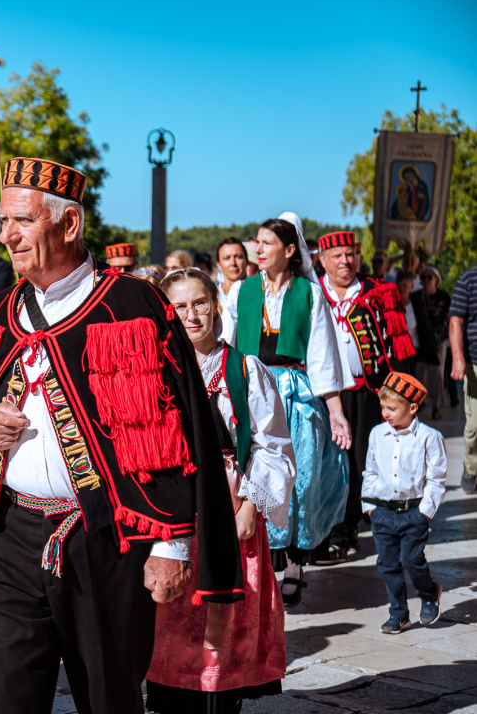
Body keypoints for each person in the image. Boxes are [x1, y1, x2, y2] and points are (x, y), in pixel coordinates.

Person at [0, 157, 243, 714]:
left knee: (109, 697)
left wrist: (172, 543)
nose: (5, 236)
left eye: (22, 222)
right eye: (4, 222)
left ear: (69, 225)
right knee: (9, 701)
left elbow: (176, 435)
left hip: (105, 540)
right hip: (9, 535)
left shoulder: (133, 306)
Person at [147, 268, 296, 714]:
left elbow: (273, 445)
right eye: (179, 306)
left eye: (199, 303)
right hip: (176, 506)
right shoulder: (158, 371)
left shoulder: (247, 370)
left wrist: (252, 504)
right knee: (173, 616)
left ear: (216, 305)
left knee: (224, 618)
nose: (191, 315)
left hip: (232, 506)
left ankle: (220, 699)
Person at [231, 214, 351, 608]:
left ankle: (296, 563)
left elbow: (322, 356)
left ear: (289, 250)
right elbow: (227, 346)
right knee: (253, 472)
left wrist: (335, 411)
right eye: (257, 243)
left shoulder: (308, 294)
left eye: (267, 244)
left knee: (300, 477)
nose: (259, 250)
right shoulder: (242, 291)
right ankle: (265, 558)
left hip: (294, 391)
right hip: (250, 388)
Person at [317, 231, 415, 563]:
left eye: (350, 255)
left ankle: (351, 530)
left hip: (369, 393)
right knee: (329, 465)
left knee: (364, 463)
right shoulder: (312, 294)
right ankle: (331, 531)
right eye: (337, 256)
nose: (345, 261)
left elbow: (400, 347)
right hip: (325, 394)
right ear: (322, 260)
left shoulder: (379, 292)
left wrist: (401, 396)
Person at [362, 373, 446, 633]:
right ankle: (398, 613)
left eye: (392, 408)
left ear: (412, 408)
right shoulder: (377, 434)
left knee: (411, 559)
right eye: (383, 407)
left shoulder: (429, 437)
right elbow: (371, 471)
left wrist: (425, 512)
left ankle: (429, 593)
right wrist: (370, 506)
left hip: (413, 513)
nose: (386, 413)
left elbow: (437, 478)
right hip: (383, 511)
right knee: (387, 564)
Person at [449, 265, 477, 494]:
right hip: (475, 362)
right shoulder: (469, 278)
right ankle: (471, 465)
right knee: (475, 425)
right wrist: (458, 359)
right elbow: (456, 320)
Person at [413, 267, 451, 420]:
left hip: (439, 340)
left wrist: (453, 341)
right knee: (419, 372)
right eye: (423, 278)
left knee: (437, 372)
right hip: (421, 339)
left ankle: (436, 406)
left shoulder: (443, 297)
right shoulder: (416, 296)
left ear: (436, 280)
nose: (426, 281)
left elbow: (449, 319)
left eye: (429, 277)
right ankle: (418, 402)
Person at [216, 236, 247, 343]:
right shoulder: (211, 295)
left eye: (238, 257)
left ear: (246, 261)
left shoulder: (258, 292)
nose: (233, 263)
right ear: (218, 265)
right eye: (227, 258)